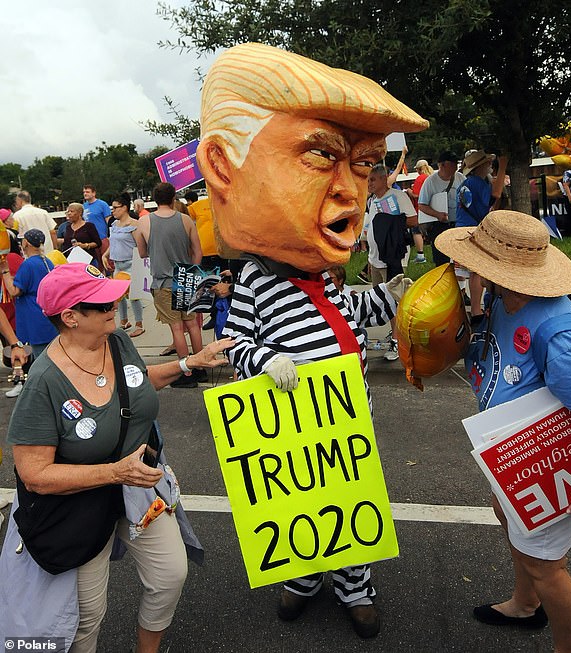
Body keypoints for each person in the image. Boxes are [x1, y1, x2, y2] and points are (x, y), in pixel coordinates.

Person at [196, 42, 426, 638]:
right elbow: (236, 342)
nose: (353, 191)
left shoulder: (323, 280)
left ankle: (355, 585)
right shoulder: (254, 279)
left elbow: (349, 308)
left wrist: (399, 295)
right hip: (290, 422)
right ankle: (301, 578)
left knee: (349, 503)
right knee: (299, 507)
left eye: (363, 165)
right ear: (224, 167)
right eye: (321, 156)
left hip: (347, 419)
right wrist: (265, 357)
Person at [0, 262, 234, 652]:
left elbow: (137, 382)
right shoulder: (43, 382)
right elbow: (34, 474)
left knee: (170, 576)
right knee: (87, 615)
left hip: (137, 486)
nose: (116, 304)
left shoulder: (117, 339)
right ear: (71, 317)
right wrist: (113, 472)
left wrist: (186, 363)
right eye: (102, 302)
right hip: (80, 505)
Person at [436, 210, 571, 653]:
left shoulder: (558, 333)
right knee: (511, 521)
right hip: (516, 456)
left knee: (547, 567)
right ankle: (524, 605)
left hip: (552, 468)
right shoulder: (506, 298)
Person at [134, 182, 205, 388]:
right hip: (186, 277)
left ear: (154, 199)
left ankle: (187, 371)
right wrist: (191, 272)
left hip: (163, 281)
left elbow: (142, 252)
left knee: (176, 328)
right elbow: (197, 252)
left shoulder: (145, 222)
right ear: (174, 197)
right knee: (192, 324)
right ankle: (201, 366)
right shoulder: (185, 219)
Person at [366, 164, 417, 361]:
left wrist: (389, 223)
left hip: (393, 257)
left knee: (394, 299)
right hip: (376, 258)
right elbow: (370, 225)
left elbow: (412, 220)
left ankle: (398, 341)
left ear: (383, 179)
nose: (369, 183)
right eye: (368, 180)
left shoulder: (398, 197)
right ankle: (394, 332)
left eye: (373, 179)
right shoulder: (372, 201)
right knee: (383, 300)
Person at [0, 229, 57, 394]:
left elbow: (14, 291)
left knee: (39, 358)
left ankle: (38, 391)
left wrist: (4, 271)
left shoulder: (29, 264)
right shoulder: (47, 261)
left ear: (27, 243)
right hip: (44, 313)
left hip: (33, 316)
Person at [455, 150, 509, 316]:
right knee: (477, 271)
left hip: (463, 227)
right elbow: (496, 194)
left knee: (472, 272)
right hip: (473, 229)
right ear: (481, 166)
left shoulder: (467, 183)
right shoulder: (477, 183)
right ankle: (477, 311)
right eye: (488, 163)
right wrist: (503, 167)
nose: (490, 165)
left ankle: (475, 309)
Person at [102, 193, 144, 337]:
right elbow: (113, 242)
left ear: (124, 208)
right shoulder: (114, 224)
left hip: (131, 263)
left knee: (133, 295)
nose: (112, 211)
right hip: (118, 263)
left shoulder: (134, 225)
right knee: (118, 295)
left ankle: (139, 324)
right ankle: (124, 320)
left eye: (115, 208)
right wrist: (105, 255)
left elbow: (140, 247)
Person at [418, 151, 465, 267]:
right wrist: (437, 214)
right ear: (442, 165)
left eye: (456, 163)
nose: (455, 166)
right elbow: (422, 205)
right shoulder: (430, 181)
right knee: (441, 261)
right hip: (439, 225)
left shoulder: (461, 178)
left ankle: (460, 283)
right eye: (452, 163)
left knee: (460, 260)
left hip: (458, 223)